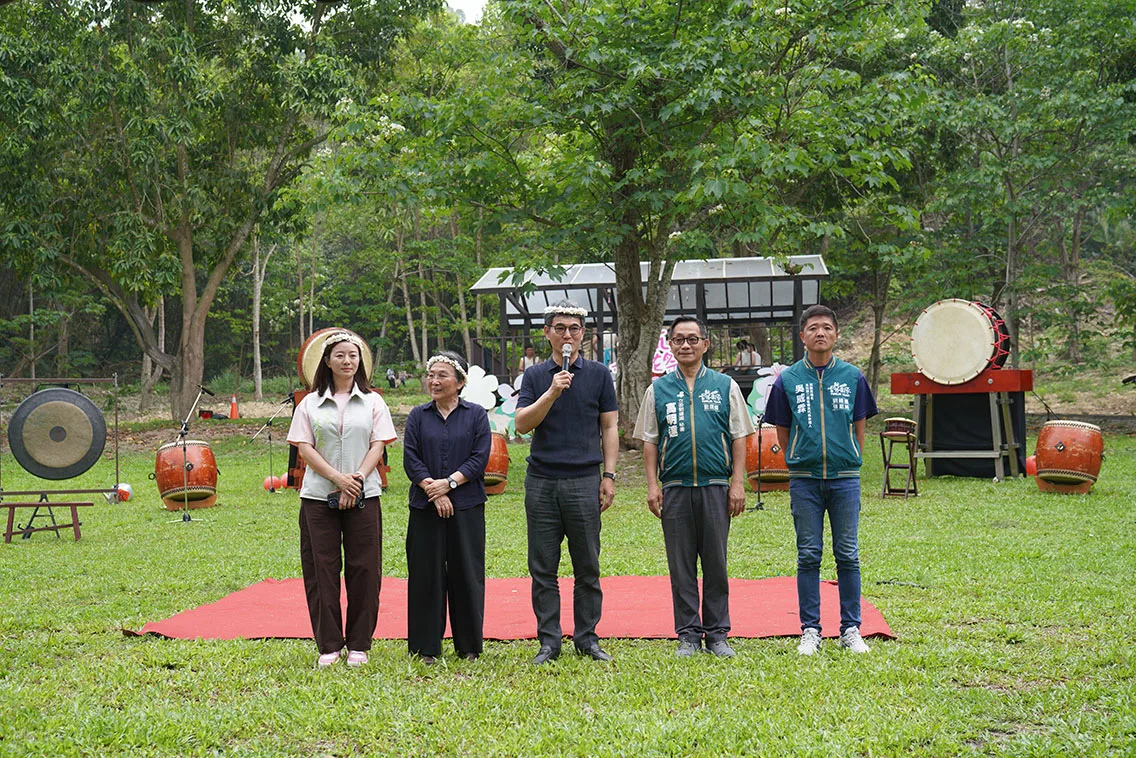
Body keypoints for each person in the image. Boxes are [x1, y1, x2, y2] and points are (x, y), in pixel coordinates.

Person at [633, 316, 754, 658]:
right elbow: (651, 442)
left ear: (705, 343)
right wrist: (652, 485)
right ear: (669, 345)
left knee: (716, 562)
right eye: (678, 340)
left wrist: (737, 482)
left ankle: (717, 634)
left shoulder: (724, 385)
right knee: (681, 564)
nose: (685, 345)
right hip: (675, 487)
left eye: (692, 339)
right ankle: (688, 634)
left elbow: (739, 436)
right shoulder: (657, 390)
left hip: (716, 486)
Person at [764, 304, 878, 656]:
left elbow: (860, 425)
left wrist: (851, 457)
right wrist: (797, 455)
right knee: (808, 554)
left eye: (827, 327)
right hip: (805, 480)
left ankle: (850, 628)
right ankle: (810, 629)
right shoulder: (788, 380)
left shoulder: (852, 376)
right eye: (813, 328)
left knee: (848, 554)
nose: (820, 333)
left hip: (845, 479)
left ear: (836, 334)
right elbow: (782, 430)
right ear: (802, 336)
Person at [515, 300, 618, 664]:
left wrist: (609, 475)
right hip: (542, 480)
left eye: (574, 328)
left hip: (584, 479)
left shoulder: (599, 374)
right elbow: (523, 424)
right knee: (543, 566)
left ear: (583, 334)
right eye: (559, 328)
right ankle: (549, 641)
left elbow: (609, 426)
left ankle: (587, 638)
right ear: (547, 334)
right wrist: (552, 391)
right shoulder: (535, 376)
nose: (567, 335)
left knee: (587, 565)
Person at [287, 331, 397, 669]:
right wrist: (337, 479)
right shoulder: (309, 403)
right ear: (327, 361)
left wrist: (358, 480)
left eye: (353, 356)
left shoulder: (374, 401)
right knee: (322, 570)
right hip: (319, 496)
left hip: (365, 493)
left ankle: (360, 644)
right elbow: (304, 447)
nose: (347, 361)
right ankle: (329, 645)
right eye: (340, 356)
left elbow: (378, 443)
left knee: (365, 569)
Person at [402, 351, 492, 664]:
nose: (434, 381)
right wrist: (434, 489)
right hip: (425, 506)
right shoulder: (417, 415)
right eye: (431, 375)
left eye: (442, 375)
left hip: (466, 506)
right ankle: (425, 647)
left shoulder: (476, 415)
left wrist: (450, 484)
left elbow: (479, 458)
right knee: (426, 573)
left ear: (460, 382)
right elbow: (411, 459)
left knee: (467, 573)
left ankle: (468, 645)